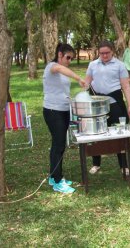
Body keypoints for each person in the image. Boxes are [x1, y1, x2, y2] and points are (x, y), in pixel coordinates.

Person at [85, 41, 130, 175]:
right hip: (97, 104)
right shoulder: (92, 65)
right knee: (96, 133)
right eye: (102, 53)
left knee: (120, 132)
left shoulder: (120, 65)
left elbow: (125, 86)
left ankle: (123, 165)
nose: (104, 55)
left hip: (115, 102)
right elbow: (87, 83)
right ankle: (96, 164)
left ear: (112, 51)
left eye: (107, 53)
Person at [43, 43, 87, 194]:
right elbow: (60, 68)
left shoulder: (62, 70)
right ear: (59, 54)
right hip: (53, 111)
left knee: (59, 144)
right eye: (68, 57)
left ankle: (53, 176)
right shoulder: (52, 67)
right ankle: (57, 180)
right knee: (58, 144)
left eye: (72, 59)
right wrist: (78, 78)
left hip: (63, 110)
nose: (69, 61)